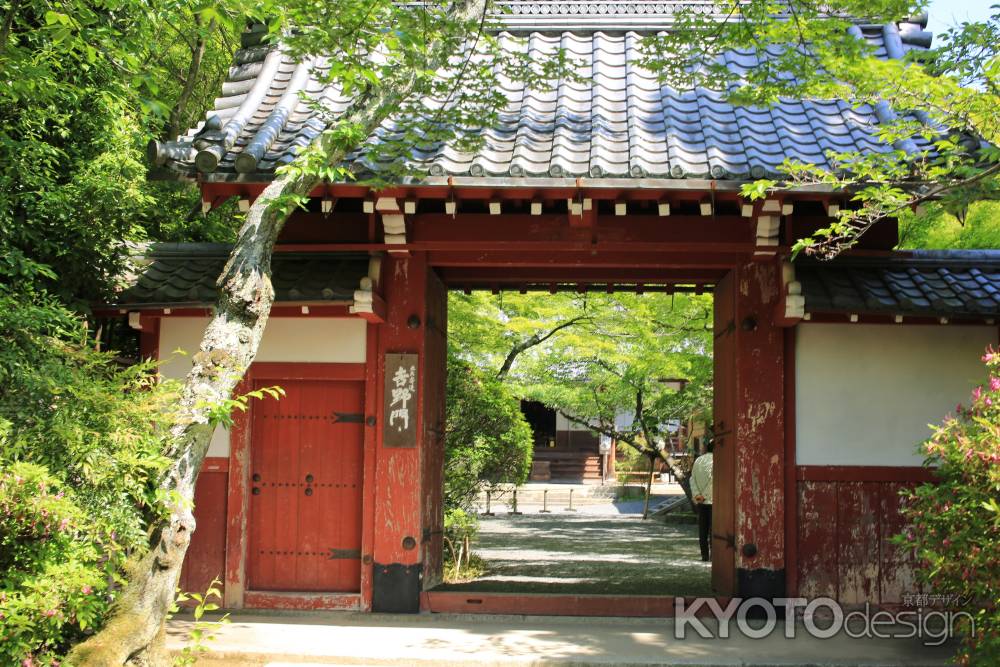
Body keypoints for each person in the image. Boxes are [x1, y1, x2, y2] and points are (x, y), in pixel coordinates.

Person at [689, 440, 713, 562]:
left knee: (702, 530)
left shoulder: (698, 460)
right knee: (714, 529)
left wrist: (698, 495)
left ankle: (704, 555)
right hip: (714, 500)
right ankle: (714, 555)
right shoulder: (717, 460)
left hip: (701, 500)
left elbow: (692, 479)